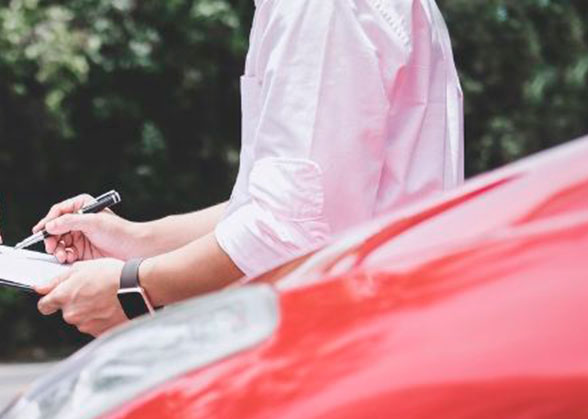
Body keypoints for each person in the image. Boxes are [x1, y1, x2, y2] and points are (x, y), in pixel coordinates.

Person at [34, 0, 463, 335]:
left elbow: (287, 227)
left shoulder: (314, 8)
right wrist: (137, 239)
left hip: (351, 341)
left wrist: (133, 287)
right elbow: (298, 206)